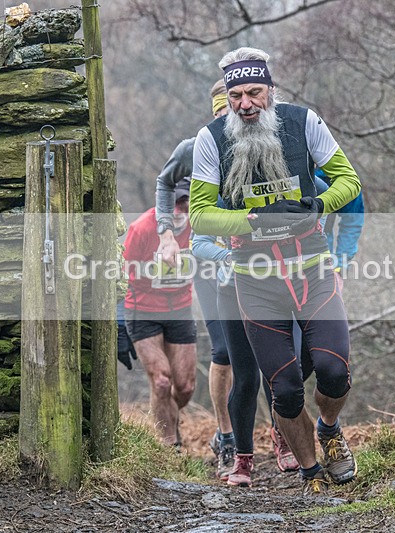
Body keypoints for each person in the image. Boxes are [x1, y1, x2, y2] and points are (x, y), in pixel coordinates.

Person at [189, 47, 362, 495]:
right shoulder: (212, 139)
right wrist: (249, 222)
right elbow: (201, 215)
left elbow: (350, 181)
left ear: (270, 90)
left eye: (254, 92)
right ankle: (310, 473)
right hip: (256, 279)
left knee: (333, 369)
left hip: (313, 271)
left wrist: (319, 205)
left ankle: (329, 429)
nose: (245, 104)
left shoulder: (304, 123)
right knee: (283, 388)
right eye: (235, 96)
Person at [154, 81, 238, 478]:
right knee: (224, 351)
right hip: (210, 261)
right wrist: (167, 234)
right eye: (222, 113)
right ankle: (226, 437)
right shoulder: (196, 147)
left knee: (272, 350)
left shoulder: (265, 144)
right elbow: (164, 181)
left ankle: (280, 432)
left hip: (258, 263)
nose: (229, 120)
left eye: (235, 113)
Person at [124, 180, 197, 446]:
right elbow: (122, 273)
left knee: (185, 386)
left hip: (180, 309)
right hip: (143, 309)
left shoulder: (196, 225)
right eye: (174, 204)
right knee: (162, 381)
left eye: (184, 204)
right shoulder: (142, 228)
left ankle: (169, 418)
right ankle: (169, 445)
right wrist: (121, 321)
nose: (179, 211)